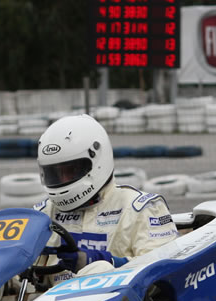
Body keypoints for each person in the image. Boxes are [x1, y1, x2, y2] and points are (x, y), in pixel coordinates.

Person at [34, 114, 178, 284]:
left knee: (99, 270)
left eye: (70, 171)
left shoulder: (141, 208)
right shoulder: (42, 213)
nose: (62, 180)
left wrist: (110, 263)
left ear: (96, 161)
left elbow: (164, 272)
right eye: (55, 173)